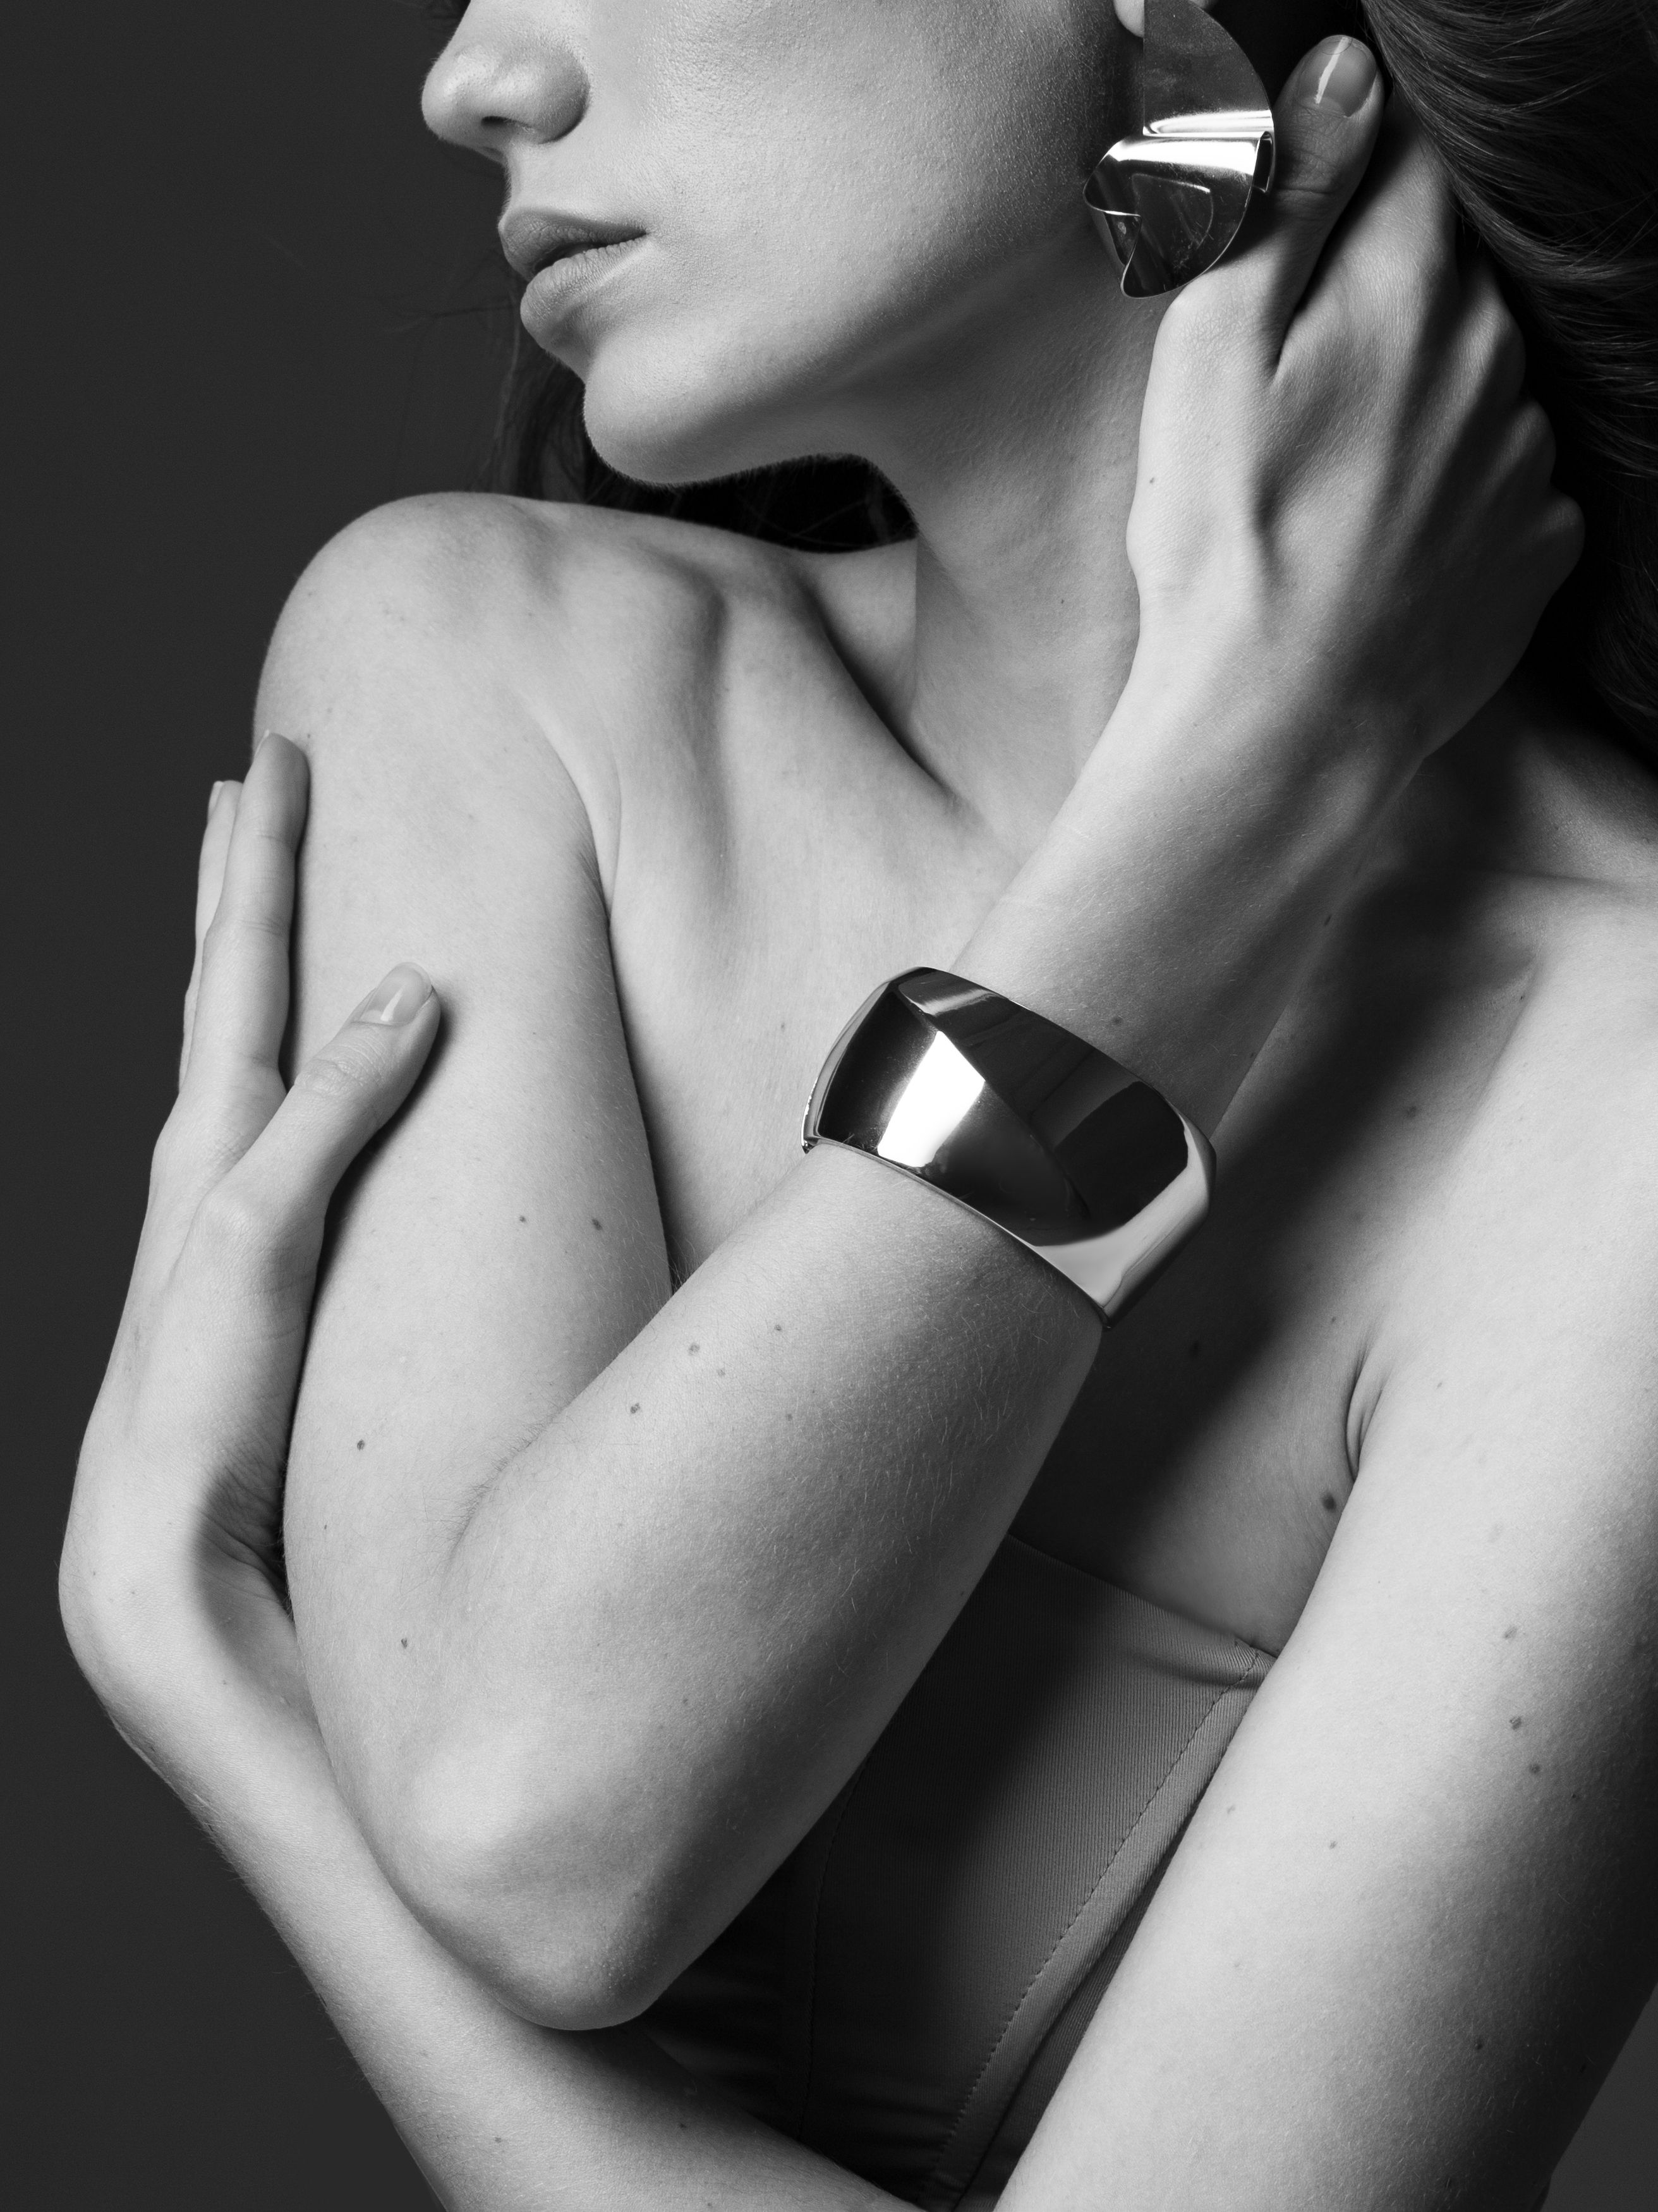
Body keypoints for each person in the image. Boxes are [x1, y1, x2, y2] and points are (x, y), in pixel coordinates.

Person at [61, 1, 1658, 2205]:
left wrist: (219, 1698)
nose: (473, 75)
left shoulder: (1622, 1096)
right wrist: (1231, 798)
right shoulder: (490, 669)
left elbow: (523, 1837)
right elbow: (550, 1814)